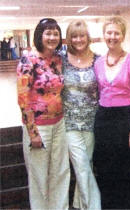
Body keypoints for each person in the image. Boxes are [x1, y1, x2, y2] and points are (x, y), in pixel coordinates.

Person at [16, 18, 70, 209]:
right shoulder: (28, 60)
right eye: (48, 33)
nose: (52, 37)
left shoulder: (58, 59)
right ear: (39, 35)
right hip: (38, 126)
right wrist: (32, 132)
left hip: (59, 123)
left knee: (61, 172)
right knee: (39, 176)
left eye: (55, 33)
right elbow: (23, 99)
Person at [93, 16, 130, 209]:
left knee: (127, 171)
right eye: (109, 32)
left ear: (123, 36)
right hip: (104, 120)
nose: (112, 36)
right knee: (106, 170)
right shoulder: (98, 63)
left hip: (125, 120)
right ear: (104, 35)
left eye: (116, 33)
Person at [62, 19, 101, 209]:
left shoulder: (98, 60)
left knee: (86, 166)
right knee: (82, 166)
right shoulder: (61, 59)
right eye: (74, 36)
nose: (78, 40)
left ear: (88, 37)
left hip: (92, 122)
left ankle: (79, 205)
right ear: (69, 38)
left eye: (82, 35)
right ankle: (94, 206)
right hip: (70, 124)